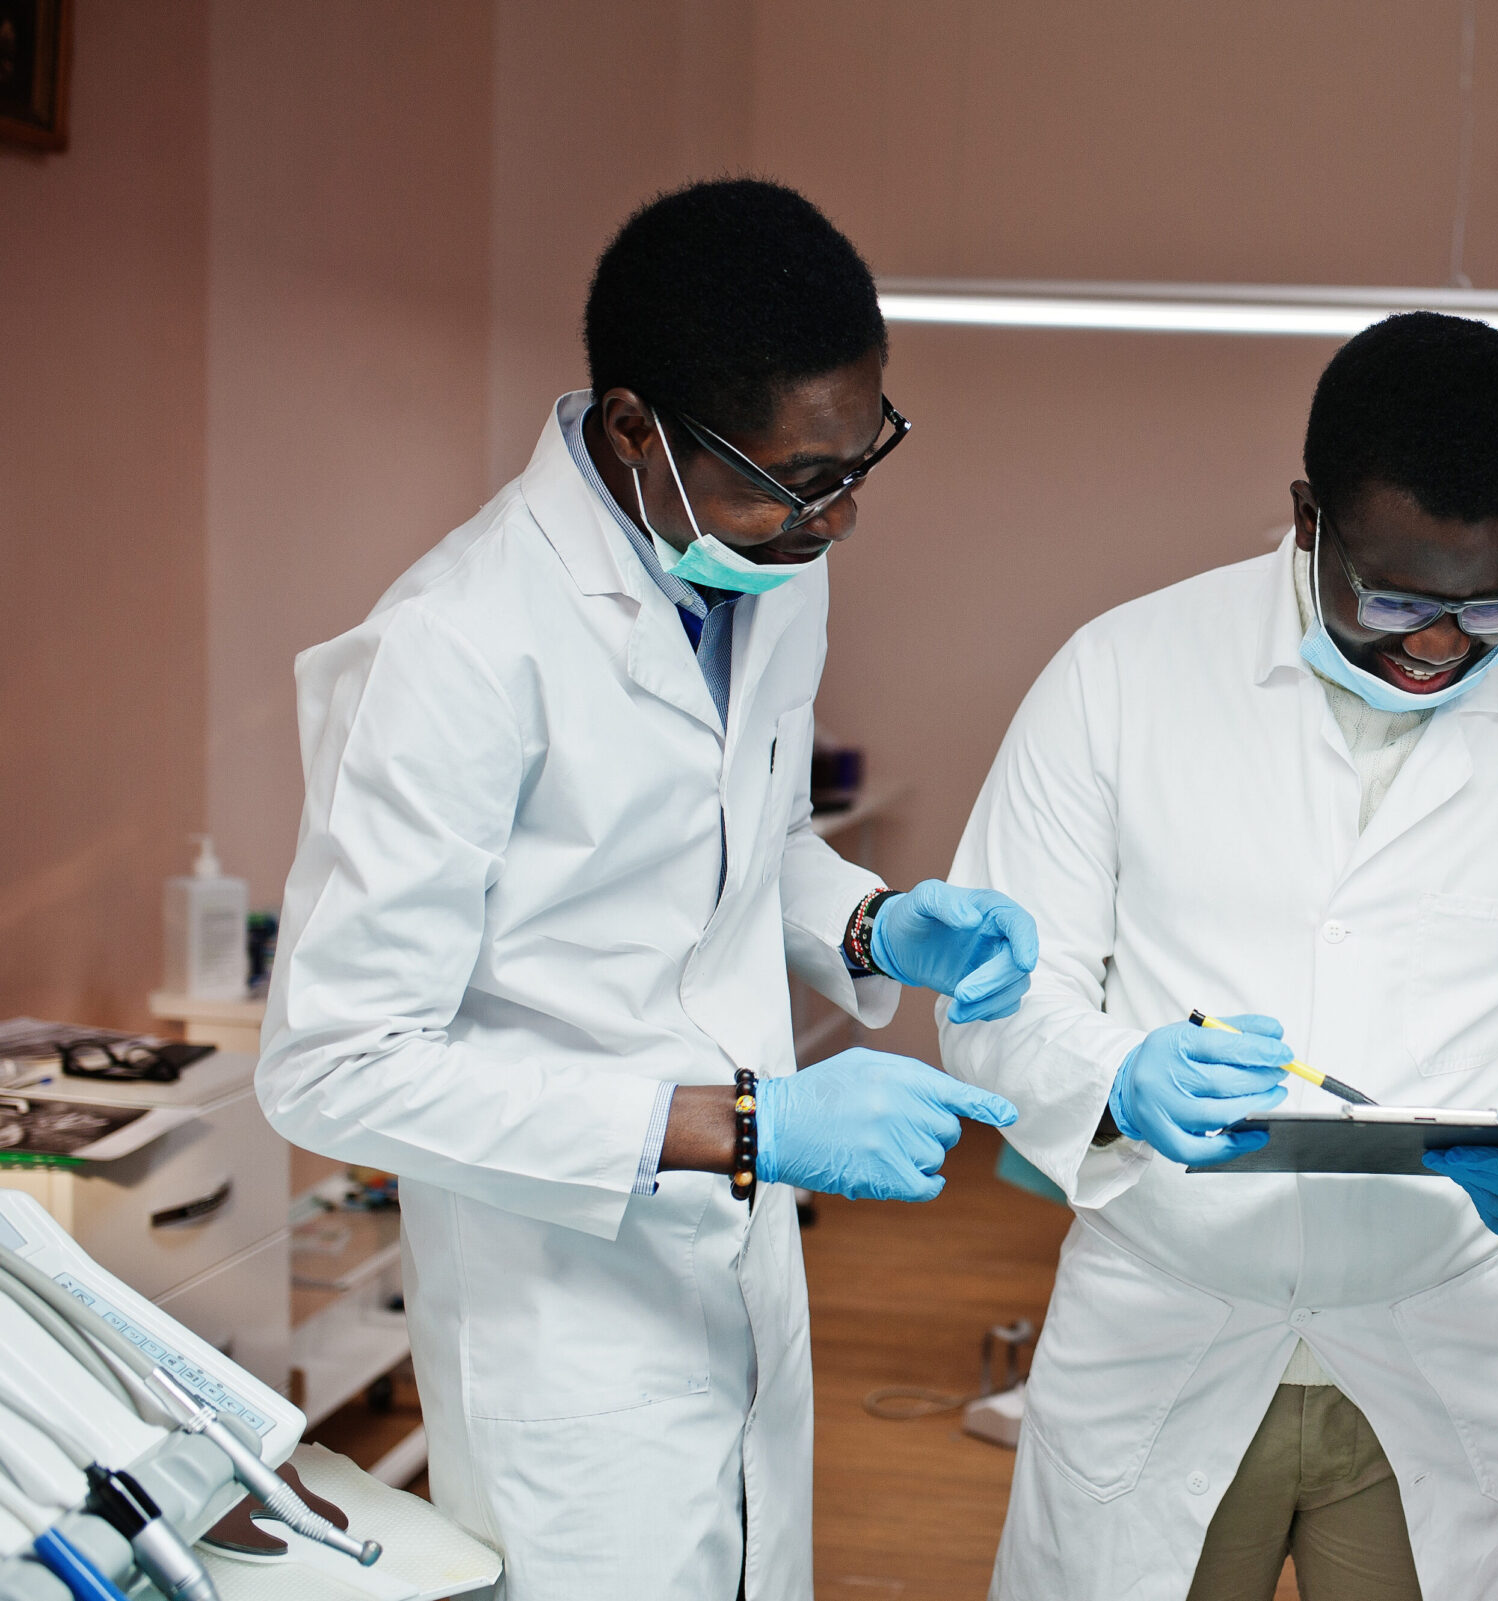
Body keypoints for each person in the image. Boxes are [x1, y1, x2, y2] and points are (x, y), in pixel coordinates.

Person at [258, 180, 1032, 1599]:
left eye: (864, 461)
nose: (842, 517)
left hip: (740, 1266)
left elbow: (739, 844)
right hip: (563, 1320)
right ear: (634, 432)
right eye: (807, 477)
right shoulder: (456, 646)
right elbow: (333, 1064)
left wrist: (867, 921)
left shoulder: (766, 562)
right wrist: (745, 1122)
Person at [938, 311, 1498, 1601]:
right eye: (1394, 595)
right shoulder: (1120, 676)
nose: (1437, 643)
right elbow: (994, 997)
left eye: (1490, 601)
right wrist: (1118, 1074)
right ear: (1306, 518)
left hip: (1453, 1335)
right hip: (1170, 1317)